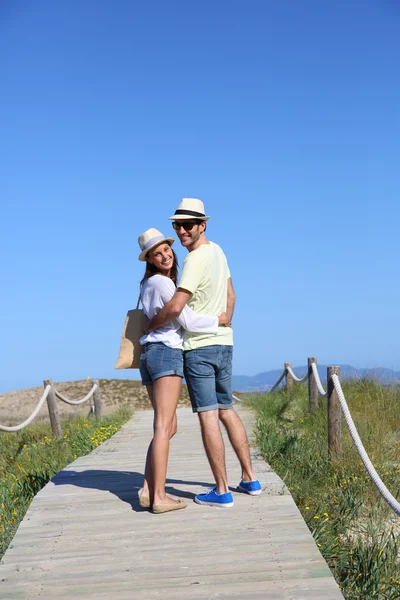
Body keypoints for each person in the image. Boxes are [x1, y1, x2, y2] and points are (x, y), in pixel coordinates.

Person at [147, 199, 262, 508]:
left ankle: (222, 490)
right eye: (177, 225)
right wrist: (224, 321)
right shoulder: (219, 251)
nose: (182, 230)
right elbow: (232, 295)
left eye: (187, 225)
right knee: (227, 409)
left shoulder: (196, 259)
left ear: (202, 225)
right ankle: (250, 478)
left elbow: (174, 307)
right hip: (225, 342)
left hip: (199, 346)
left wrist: (149, 325)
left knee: (208, 414)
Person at [137, 227, 228, 514]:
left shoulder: (146, 286)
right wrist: (218, 321)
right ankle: (160, 496)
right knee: (164, 425)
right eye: (157, 254)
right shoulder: (163, 285)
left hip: (150, 355)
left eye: (166, 250)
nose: (164, 256)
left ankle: (148, 488)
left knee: (167, 425)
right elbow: (184, 319)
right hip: (166, 353)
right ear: (149, 259)